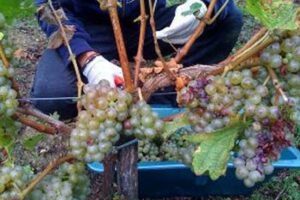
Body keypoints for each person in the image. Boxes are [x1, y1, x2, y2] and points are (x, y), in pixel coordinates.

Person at [32, 0, 243, 120]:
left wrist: (203, 6)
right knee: (53, 97)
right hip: (87, 27)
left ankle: (169, 97)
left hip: (149, 15)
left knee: (227, 17)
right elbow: (48, 8)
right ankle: (116, 102)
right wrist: (87, 59)